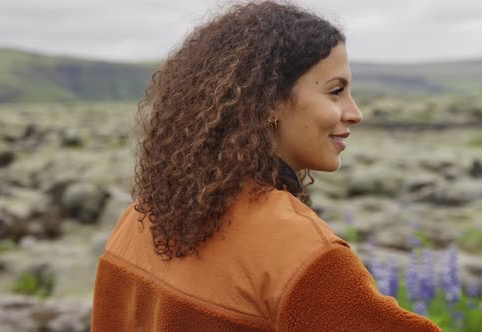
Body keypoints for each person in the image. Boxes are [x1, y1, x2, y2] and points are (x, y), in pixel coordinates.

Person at [91, 1, 442, 331]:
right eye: (335, 91)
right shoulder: (301, 254)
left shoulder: (142, 218)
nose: (355, 112)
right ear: (269, 101)